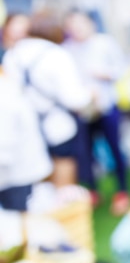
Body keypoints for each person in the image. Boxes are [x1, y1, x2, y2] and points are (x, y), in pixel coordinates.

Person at [3, 12, 92, 187]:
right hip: (58, 127)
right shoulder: (57, 54)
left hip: (26, 129)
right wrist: (90, 94)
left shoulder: (11, 56)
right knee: (64, 188)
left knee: (39, 187)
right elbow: (74, 99)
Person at [64, 10, 129, 215]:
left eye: (80, 23)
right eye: (72, 25)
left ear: (90, 24)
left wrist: (104, 74)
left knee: (115, 148)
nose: (77, 29)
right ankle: (93, 191)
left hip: (107, 106)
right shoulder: (66, 50)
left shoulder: (105, 43)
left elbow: (120, 69)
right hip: (82, 111)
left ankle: (123, 190)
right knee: (86, 152)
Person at [0, 68, 52, 211]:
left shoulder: (4, 96)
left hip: (16, 177)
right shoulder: (9, 86)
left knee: (19, 224)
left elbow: (4, 149)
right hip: (19, 173)